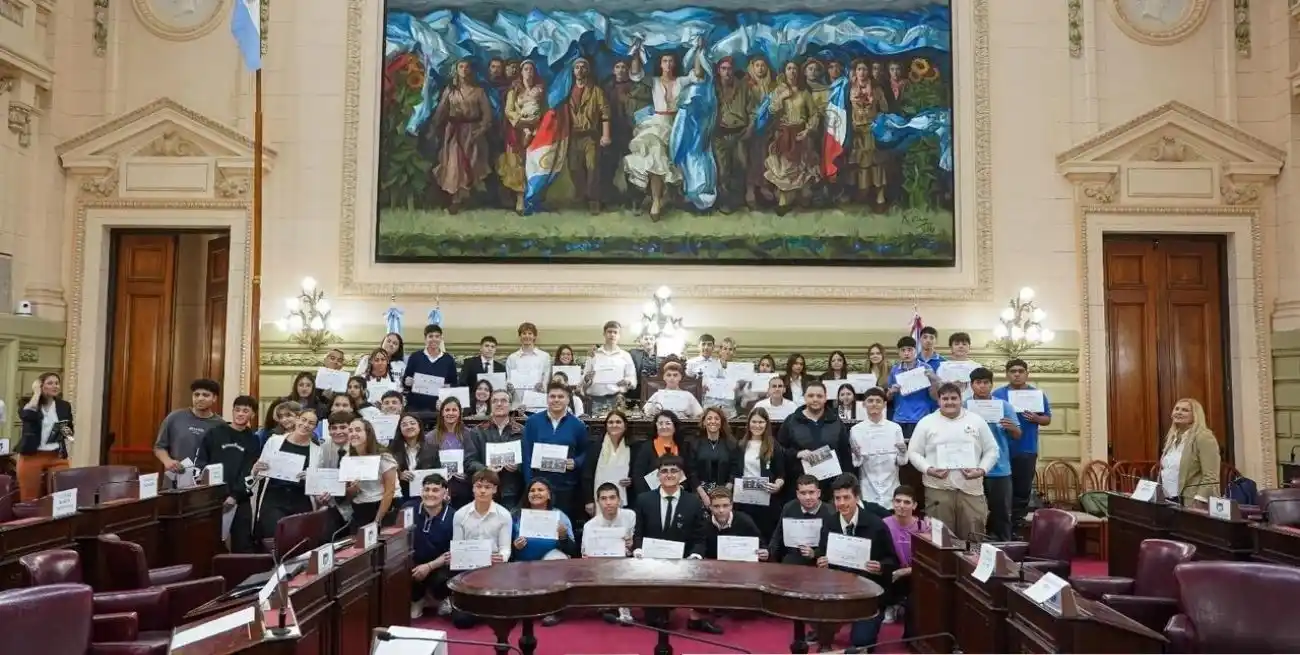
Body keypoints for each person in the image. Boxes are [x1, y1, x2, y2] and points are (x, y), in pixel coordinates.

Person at [906, 383, 999, 541]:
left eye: (954, 398)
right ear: (938, 401)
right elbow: (913, 452)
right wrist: (928, 469)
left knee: (974, 538)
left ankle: (972, 566)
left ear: (961, 399)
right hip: (938, 489)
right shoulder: (926, 422)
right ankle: (943, 566)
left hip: (971, 490)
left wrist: (982, 470)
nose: (950, 402)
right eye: (945, 398)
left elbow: (992, 450)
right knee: (940, 540)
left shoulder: (977, 421)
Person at [818, 474, 898, 651]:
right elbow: (821, 551)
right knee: (820, 630)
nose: (842, 503)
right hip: (837, 588)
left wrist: (881, 567)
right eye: (838, 498)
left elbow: (892, 561)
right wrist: (821, 560)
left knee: (861, 642)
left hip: (868, 593)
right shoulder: (830, 523)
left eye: (847, 497)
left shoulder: (876, 525)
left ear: (857, 498)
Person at [632, 455, 707, 629]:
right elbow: (639, 532)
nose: (669, 475)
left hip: (681, 563)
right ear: (657, 475)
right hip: (650, 564)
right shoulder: (644, 500)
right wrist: (638, 549)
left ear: (682, 475)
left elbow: (699, 537)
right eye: (664, 471)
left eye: (674, 471)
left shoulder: (693, 502)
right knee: (655, 619)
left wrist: (695, 555)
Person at [195, 394, 263, 552]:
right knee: (210, 541)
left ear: (252, 414)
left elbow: (249, 470)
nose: (240, 414)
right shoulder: (215, 433)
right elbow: (201, 461)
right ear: (232, 411)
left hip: (240, 499)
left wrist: (235, 496)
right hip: (212, 497)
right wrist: (207, 489)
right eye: (237, 410)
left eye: (245, 411)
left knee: (243, 542)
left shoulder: (253, 440)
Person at [510, 479, 579, 626]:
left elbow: (573, 550)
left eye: (540, 490)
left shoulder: (560, 516)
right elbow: (506, 548)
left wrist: (563, 537)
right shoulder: (516, 516)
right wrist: (515, 546)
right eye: (532, 490)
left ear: (549, 495)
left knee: (556, 558)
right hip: (523, 565)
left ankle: (554, 609)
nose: (536, 493)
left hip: (550, 566)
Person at [992, 358, 1052, 526]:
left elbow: (1047, 419)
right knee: (1000, 491)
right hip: (1001, 451)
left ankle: (1017, 525)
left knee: (1022, 491)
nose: (1016, 374)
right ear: (1007, 374)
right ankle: (1000, 528)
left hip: (1027, 449)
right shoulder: (997, 394)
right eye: (1013, 371)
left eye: (1020, 371)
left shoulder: (1037, 395)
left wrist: (1037, 418)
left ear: (1026, 374)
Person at [450, 469, 512, 628]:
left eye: (488, 487)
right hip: (468, 570)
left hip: (494, 569)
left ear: (495, 490)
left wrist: (502, 557)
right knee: (461, 622)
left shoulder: (504, 514)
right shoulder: (460, 514)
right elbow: (458, 545)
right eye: (479, 486)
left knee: (508, 616)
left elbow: (505, 548)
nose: (483, 491)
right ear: (472, 488)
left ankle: (484, 606)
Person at [522, 382, 589, 523]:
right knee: (539, 524)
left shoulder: (578, 425)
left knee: (561, 525)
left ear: (568, 399)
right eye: (552, 396)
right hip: (538, 486)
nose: (556, 400)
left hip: (565, 486)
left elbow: (585, 452)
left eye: (560, 396)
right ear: (547, 399)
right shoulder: (533, 422)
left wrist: (576, 462)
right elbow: (526, 454)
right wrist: (530, 484)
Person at [967, 367, 1020, 540]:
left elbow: (1018, 434)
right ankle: (975, 553)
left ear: (991, 384)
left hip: (1000, 469)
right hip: (971, 469)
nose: (982, 386)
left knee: (1001, 514)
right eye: (978, 383)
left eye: (986, 383)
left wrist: (1012, 428)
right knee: (974, 515)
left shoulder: (1004, 406)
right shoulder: (964, 406)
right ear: (972, 385)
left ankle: (1004, 552)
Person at [779, 381, 853, 499]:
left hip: (830, 488)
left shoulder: (836, 422)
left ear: (825, 398)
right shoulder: (791, 421)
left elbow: (845, 455)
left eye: (819, 396)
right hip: (800, 488)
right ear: (804, 397)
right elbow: (779, 450)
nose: (815, 399)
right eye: (811, 395)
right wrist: (797, 453)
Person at [582, 482, 637, 625]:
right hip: (601, 566)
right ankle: (607, 602)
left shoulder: (630, 516)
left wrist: (631, 544)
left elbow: (637, 545)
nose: (608, 503)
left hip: (626, 562)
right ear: (598, 502)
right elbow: (585, 554)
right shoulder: (590, 526)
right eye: (604, 499)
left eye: (612, 498)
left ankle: (623, 609)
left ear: (619, 500)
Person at [15, 373, 74, 501]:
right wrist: (36, 394)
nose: (55, 386)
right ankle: (30, 520)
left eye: (57, 383)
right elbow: (27, 416)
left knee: (63, 496)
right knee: (29, 498)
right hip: (31, 456)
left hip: (56, 456)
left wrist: (65, 432)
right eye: (50, 383)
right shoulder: (27, 402)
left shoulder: (64, 405)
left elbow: (70, 431)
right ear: (41, 386)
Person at [848, 387, 907, 512]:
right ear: (864, 404)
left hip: (891, 487)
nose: (874, 404)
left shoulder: (895, 428)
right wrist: (857, 455)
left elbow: (901, 462)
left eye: (878, 401)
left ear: (884, 404)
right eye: (870, 401)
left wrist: (903, 452)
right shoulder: (856, 430)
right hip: (868, 488)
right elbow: (856, 463)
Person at [154, 378, 225, 479]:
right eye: (196, 394)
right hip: (175, 478)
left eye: (205, 395)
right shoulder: (174, 417)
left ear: (214, 398)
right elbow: (159, 447)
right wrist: (168, 461)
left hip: (205, 483)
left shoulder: (221, 425)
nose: (200, 398)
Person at [1157, 398, 1221, 503]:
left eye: (1185, 410)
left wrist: (1198, 501)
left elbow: (1211, 477)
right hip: (1168, 499)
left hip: (1191, 502)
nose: (1179, 412)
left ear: (1195, 415)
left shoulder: (1204, 437)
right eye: (1176, 409)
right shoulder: (1173, 437)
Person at [883, 485, 929, 629]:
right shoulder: (883, 524)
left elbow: (928, 560)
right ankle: (890, 605)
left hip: (915, 572)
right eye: (898, 501)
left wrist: (907, 571)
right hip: (892, 571)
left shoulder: (924, 527)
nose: (901, 506)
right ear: (893, 503)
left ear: (914, 505)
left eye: (907, 502)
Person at [470, 389, 524, 508]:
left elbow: (529, 460)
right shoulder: (477, 432)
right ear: (491, 406)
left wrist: (518, 466)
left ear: (510, 406)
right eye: (495, 401)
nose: (499, 404)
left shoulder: (522, 431)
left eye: (504, 401)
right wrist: (485, 469)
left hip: (512, 491)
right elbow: (470, 462)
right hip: (485, 489)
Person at [411, 473, 454, 620]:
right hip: (414, 561)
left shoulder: (454, 516)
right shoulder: (408, 510)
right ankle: (417, 599)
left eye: (435, 490)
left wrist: (429, 566)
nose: (430, 494)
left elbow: (452, 552)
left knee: (444, 577)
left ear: (445, 493)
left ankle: (442, 598)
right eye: (426, 489)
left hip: (440, 564)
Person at [767, 474, 834, 566]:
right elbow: (778, 534)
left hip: (819, 560)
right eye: (803, 493)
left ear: (818, 493)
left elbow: (833, 545)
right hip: (793, 557)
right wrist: (769, 553)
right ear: (797, 494)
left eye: (811, 492)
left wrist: (815, 553)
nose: (807, 497)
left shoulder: (830, 512)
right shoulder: (789, 507)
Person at [346, 417, 399, 528]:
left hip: (383, 507)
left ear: (368, 433)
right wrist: (352, 489)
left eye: (358, 430)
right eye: (350, 431)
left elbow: (390, 491)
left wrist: (377, 520)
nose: (353, 433)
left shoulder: (384, 457)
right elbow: (351, 494)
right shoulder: (349, 458)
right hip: (360, 507)